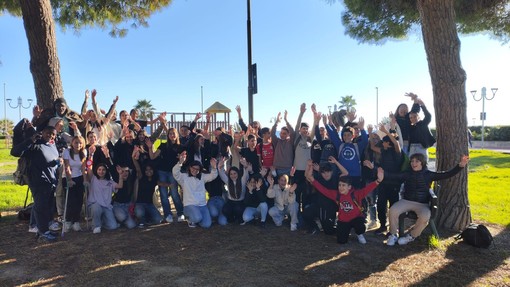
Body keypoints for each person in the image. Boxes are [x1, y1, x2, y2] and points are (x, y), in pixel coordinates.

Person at [384, 154, 469, 246]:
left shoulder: (428, 174)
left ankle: (411, 236)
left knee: (425, 216)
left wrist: (460, 166)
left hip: (422, 204)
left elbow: (446, 174)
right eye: (412, 161)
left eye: (417, 161)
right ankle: (393, 235)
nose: (413, 163)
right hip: (406, 201)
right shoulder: (407, 173)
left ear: (422, 163)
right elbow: (392, 176)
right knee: (393, 210)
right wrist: (377, 171)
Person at [306, 162, 384, 244]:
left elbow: (367, 189)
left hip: (356, 218)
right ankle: (345, 231)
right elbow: (324, 190)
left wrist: (378, 181)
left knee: (360, 226)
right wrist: (312, 180)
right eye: (339, 185)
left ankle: (359, 234)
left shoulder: (356, 194)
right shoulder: (337, 194)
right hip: (344, 220)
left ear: (349, 187)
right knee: (341, 241)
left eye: (343, 185)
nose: (341, 187)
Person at [11, 126, 62, 242]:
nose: (51, 136)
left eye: (53, 134)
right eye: (48, 133)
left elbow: (48, 163)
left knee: (48, 208)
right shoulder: (35, 145)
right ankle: (42, 233)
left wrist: (57, 163)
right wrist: (30, 140)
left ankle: (45, 230)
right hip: (38, 182)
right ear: (42, 132)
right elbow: (15, 152)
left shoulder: (52, 145)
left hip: (50, 182)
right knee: (40, 208)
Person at [367, 124, 402, 234]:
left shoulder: (397, 152)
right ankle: (382, 226)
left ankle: (393, 229)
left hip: (394, 184)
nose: (382, 143)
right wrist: (369, 133)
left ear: (388, 143)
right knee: (381, 205)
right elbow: (372, 147)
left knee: (394, 207)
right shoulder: (383, 151)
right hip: (383, 183)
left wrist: (386, 132)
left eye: (384, 141)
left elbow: (396, 143)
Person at [148, 126, 186, 223]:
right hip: (162, 172)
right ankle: (167, 214)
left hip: (174, 172)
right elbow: (152, 157)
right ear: (167, 135)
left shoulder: (181, 147)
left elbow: (184, 161)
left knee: (174, 193)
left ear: (177, 135)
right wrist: (149, 147)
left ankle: (180, 212)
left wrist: (181, 158)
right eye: (170, 134)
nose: (172, 135)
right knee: (163, 194)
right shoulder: (163, 145)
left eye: (173, 133)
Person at [173, 153, 220, 228]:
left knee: (207, 225)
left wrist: (214, 168)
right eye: (193, 168)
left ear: (200, 170)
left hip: (202, 205)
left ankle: (197, 219)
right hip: (190, 205)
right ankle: (190, 219)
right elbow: (175, 173)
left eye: (197, 169)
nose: (194, 170)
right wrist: (180, 163)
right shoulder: (184, 177)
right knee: (197, 218)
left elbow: (212, 176)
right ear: (190, 168)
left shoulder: (202, 177)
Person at [85, 163, 124, 234]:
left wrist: (120, 174)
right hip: (95, 204)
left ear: (106, 171)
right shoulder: (93, 178)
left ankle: (102, 222)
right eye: (99, 170)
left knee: (113, 226)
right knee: (96, 208)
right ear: (96, 171)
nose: (101, 172)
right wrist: (90, 155)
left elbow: (120, 186)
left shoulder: (109, 182)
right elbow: (89, 168)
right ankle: (96, 226)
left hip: (106, 207)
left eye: (103, 170)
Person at [62, 136, 87, 232]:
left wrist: (85, 180)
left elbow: (83, 167)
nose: (78, 145)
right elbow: (67, 167)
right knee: (70, 201)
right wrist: (69, 179)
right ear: (72, 143)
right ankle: (67, 221)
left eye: (80, 143)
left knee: (79, 201)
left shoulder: (84, 152)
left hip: (79, 177)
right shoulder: (67, 152)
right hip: (68, 178)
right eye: (76, 142)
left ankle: (76, 222)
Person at [408, 95, 436, 162]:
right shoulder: (410, 127)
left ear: (418, 117)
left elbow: (428, 116)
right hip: (412, 148)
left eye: (414, 116)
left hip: (421, 147)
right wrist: (415, 100)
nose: (413, 118)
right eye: (411, 117)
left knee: (423, 164)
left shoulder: (423, 124)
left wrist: (423, 105)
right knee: (412, 165)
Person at [271, 110, 296, 177]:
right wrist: (277, 122)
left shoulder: (290, 142)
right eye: (281, 133)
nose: (282, 135)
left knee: (286, 187)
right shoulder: (277, 141)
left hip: (287, 169)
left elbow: (293, 133)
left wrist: (286, 120)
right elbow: (272, 133)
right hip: (276, 169)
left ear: (288, 134)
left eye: (284, 133)